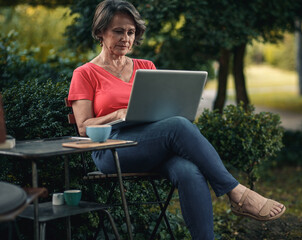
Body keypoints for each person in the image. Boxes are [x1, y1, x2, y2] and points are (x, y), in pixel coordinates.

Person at [68, 0, 286, 239]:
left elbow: (160, 109)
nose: (126, 38)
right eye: (118, 31)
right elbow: (83, 127)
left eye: (131, 32)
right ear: (100, 32)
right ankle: (237, 193)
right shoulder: (85, 73)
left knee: (188, 170)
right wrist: (118, 114)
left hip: (154, 143)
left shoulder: (146, 66)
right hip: (113, 150)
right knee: (178, 126)